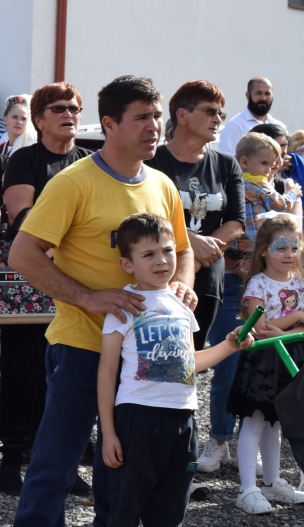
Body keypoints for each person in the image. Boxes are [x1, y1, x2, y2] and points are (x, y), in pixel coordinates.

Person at [8, 76, 193, 527]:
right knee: (58, 457)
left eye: (157, 117)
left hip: (145, 356)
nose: (154, 127)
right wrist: (88, 298)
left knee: (126, 458)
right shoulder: (74, 182)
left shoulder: (162, 184)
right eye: (142, 118)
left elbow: (182, 250)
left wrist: (181, 284)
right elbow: (23, 254)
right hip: (82, 346)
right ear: (109, 125)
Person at [99, 213, 246, 527]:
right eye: (148, 254)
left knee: (170, 509)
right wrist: (108, 432)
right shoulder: (124, 307)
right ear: (128, 264)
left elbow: (189, 363)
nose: (162, 260)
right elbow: (106, 372)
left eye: (167, 251)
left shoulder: (183, 305)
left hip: (183, 420)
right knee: (127, 506)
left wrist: (229, 345)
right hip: (136, 419)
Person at [0, 81, 92, 496]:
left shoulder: (87, 162)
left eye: (73, 108)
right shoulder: (25, 159)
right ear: (38, 119)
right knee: (23, 372)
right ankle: (11, 458)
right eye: (58, 108)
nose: (68, 114)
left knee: (66, 377)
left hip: (75, 283)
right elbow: (22, 216)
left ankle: (58, 462)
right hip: (32, 282)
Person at [145, 81, 246, 475]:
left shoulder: (226, 165)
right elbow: (144, 217)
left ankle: (178, 465)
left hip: (207, 284)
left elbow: (236, 221)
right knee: (157, 370)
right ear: (183, 116)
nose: (218, 119)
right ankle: (150, 459)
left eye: (221, 112)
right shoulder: (154, 161)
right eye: (210, 111)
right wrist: (189, 243)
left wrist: (205, 251)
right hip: (159, 282)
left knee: (188, 369)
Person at [226, 214, 304, 514]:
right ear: (263, 251)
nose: (289, 254)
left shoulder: (300, 281)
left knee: (276, 421)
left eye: (294, 248)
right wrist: (297, 318)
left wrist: (286, 328)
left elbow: (280, 326)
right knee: (255, 419)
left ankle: (272, 481)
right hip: (263, 359)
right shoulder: (258, 284)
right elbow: (259, 327)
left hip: (293, 354)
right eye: (281, 248)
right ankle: (247, 488)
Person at [218, 78, 281, 157]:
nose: (263, 98)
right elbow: (226, 159)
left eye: (267, 94)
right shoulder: (235, 125)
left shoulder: (279, 126)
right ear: (248, 95)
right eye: (258, 93)